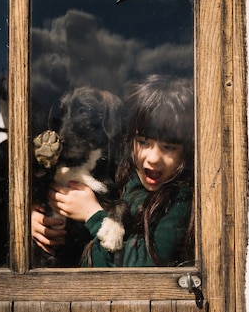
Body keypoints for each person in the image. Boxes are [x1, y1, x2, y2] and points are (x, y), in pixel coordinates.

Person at [43, 74, 194, 267]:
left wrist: (92, 214)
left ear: (186, 151)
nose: (154, 158)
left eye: (169, 147)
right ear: (131, 140)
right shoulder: (124, 177)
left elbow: (141, 265)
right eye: (143, 142)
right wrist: (36, 219)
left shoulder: (179, 201)